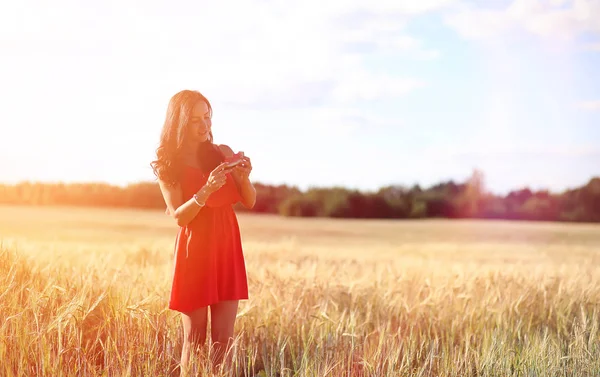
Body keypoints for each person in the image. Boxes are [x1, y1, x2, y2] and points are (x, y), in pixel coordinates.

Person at [150, 89, 256, 374]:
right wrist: (205, 190)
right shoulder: (168, 165)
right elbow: (179, 216)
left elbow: (249, 199)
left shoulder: (220, 152)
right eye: (195, 120)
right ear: (179, 123)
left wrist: (243, 178)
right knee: (194, 342)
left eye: (207, 117)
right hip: (195, 250)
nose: (204, 126)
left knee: (224, 341)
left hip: (227, 245)